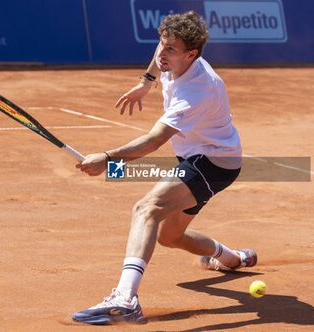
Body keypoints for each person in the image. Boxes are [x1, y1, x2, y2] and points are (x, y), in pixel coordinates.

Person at [72, 10, 257, 325]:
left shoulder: (198, 89)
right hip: (193, 156)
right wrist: (146, 82)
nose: (162, 53)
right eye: (162, 44)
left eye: (171, 49)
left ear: (192, 54)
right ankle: (232, 258)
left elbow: (154, 141)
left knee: (147, 208)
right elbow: (159, 55)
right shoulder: (172, 59)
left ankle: (125, 299)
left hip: (213, 161)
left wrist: (106, 158)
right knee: (170, 237)